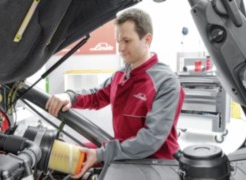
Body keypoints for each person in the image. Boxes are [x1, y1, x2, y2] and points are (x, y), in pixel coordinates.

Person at [45, 8, 185, 178]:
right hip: (123, 152)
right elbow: (97, 95)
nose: (120, 48)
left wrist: (101, 154)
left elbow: (150, 140)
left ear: (147, 39)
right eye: (118, 41)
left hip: (155, 161)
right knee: (59, 158)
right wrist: (70, 96)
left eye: (127, 41)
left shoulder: (166, 82)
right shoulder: (121, 74)